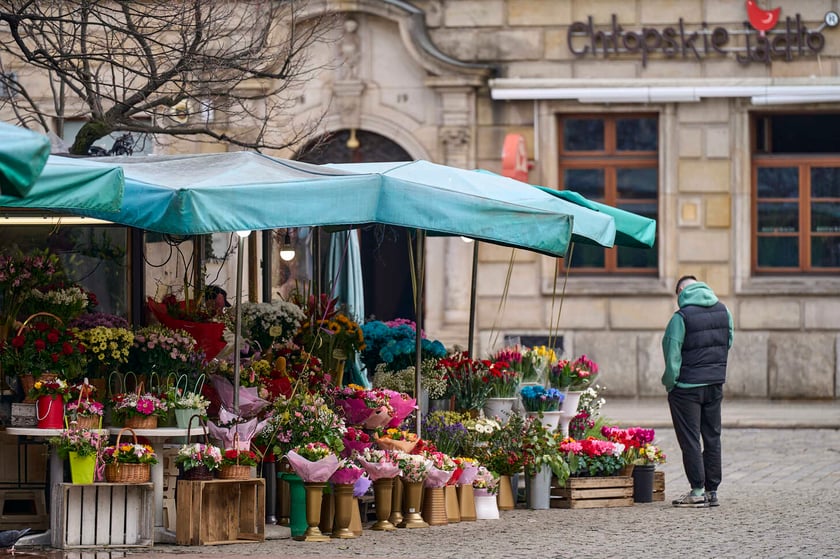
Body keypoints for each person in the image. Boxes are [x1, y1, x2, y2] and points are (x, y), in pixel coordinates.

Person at [662, 275, 733, 508]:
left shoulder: (680, 317)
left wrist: (670, 383)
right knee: (712, 436)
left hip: (686, 389)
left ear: (681, 291)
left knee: (690, 439)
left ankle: (697, 490)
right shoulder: (724, 311)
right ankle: (712, 491)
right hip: (714, 383)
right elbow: (728, 341)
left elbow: (672, 354)